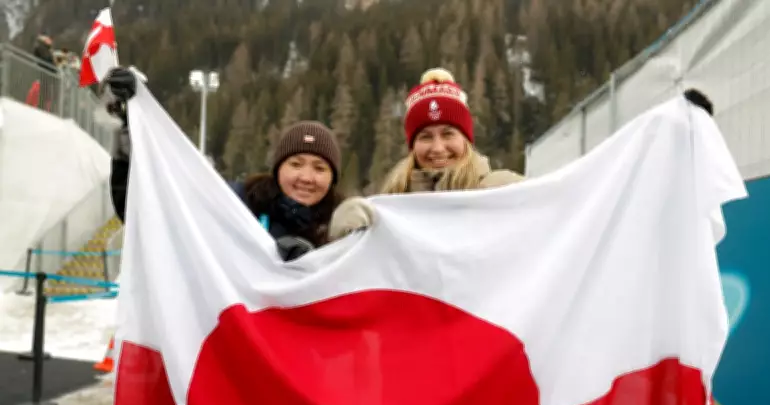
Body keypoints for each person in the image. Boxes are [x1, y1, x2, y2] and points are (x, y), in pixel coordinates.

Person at [103, 67, 343, 261]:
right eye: (296, 164)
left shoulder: (345, 227)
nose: (306, 177)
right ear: (278, 169)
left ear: (333, 178)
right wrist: (132, 130)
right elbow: (154, 215)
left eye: (320, 168)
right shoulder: (238, 204)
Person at [328, 67, 524, 240]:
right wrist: (344, 232)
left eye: (448, 134)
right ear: (412, 146)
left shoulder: (499, 190)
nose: (438, 148)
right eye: (426, 137)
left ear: (466, 140)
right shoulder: (392, 203)